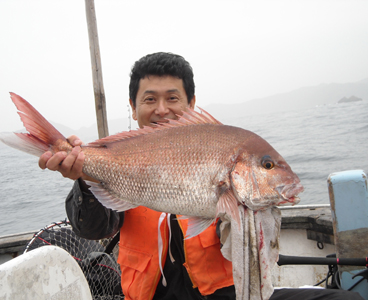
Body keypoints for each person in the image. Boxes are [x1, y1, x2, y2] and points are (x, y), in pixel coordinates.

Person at [39, 52, 364, 300]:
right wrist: (82, 175)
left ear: (191, 102)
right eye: (150, 99)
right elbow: (92, 227)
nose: (162, 109)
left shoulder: (221, 145)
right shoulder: (118, 155)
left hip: (225, 294)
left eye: (173, 98)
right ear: (133, 106)